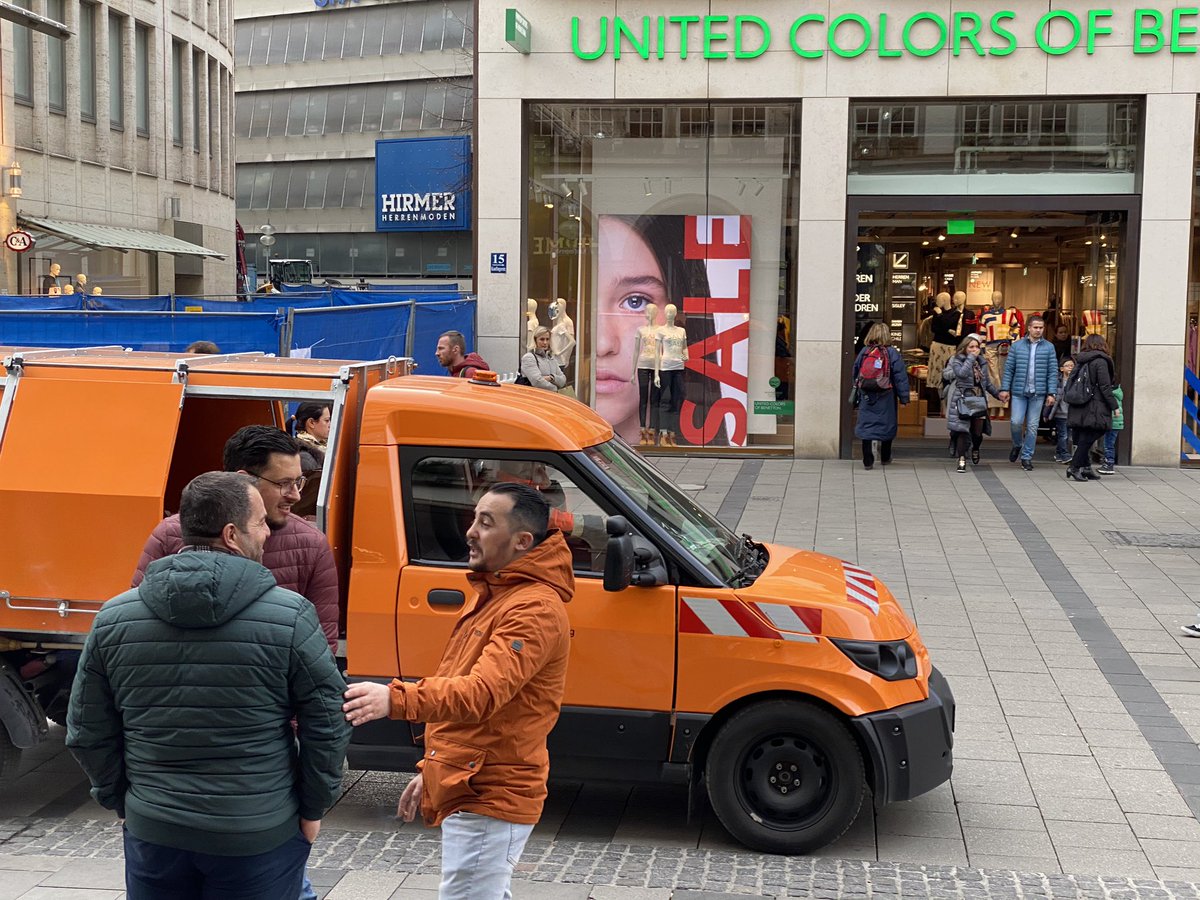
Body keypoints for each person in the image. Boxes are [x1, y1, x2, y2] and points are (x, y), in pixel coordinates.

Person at [66, 472, 351, 900]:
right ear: (232, 534)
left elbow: (87, 731)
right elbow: (327, 723)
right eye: (260, 523)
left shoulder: (113, 618)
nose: (268, 534)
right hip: (256, 833)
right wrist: (312, 809)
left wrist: (124, 803)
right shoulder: (291, 616)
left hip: (155, 831)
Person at [342, 482, 573, 900]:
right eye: (474, 518)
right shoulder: (498, 593)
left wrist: (393, 699)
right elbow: (468, 691)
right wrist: (434, 765)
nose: (470, 531)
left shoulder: (532, 607)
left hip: (491, 790)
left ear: (522, 541)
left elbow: (480, 693)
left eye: (486, 522)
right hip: (471, 779)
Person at [132, 425, 339, 656]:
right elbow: (139, 624)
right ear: (244, 481)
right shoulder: (170, 535)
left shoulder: (311, 545)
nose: (296, 495)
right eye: (283, 484)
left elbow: (320, 649)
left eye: (298, 481)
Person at [999, 314, 1058, 471]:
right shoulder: (1017, 346)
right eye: (1035, 327)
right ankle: (1017, 444)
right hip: (1019, 391)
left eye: (1041, 328)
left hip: (1038, 393)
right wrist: (1005, 389)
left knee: (1032, 426)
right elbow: (1009, 369)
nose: (1038, 330)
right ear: (1029, 328)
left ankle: (1027, 457)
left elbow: (1052, 371)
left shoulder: (1049, 347)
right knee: (1016, 422)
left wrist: (1052, 393)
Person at [850, 322, 910, 470]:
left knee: (867, 425)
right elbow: (900, 377)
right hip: (886, 395)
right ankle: (885, 457)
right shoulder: (892, 353)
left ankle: (868, 460)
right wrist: (904, 398)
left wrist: (858, 390)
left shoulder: (865, 351)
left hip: (867, 395)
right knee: (886, 424)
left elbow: (856, 373)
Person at [1065, 334, 1118, 482]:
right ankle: (1075, 466)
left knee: (1084, 434)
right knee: (1094, 432)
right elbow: (1105, 386)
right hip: (1095, 404)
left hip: (1080, 402)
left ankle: (1086, 467)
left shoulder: (1081, 360)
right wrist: (1114, 406)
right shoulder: (1101, 361)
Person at [945, 335, 1002, 473]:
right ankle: (962, 459)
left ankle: (975, 448)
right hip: (963, 398)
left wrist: (998, 395)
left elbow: (986, 383)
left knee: (977, 432)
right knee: (962, 430)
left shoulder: (982, 362)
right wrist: (970, 358)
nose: (975, 350)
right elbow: (961, 374)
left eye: (977, 347)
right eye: (971, 347)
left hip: (978, 399)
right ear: (964, 348)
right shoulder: (957, 360)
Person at [519, 325, 567, 392]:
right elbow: (537, 382)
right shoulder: (529, 358)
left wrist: (551, 378)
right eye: (542, 339)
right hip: (535, 398)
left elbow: (563, 380)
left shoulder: (551, 358)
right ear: (535, 340)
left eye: (547, 339)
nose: (545, 342)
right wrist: (556, 390)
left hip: (551, 398)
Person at [1048, 357, 1075, 464]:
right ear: (1061, 369)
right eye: (1068, 366)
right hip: (1060, 412)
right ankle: (1064, 455)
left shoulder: (1075, 380)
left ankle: (1059, 454)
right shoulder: (1057, 381)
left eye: (1072, 366)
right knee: (1063, 435)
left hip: (1071, 412)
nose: (1070, 368)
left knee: (1067, 435)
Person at [1099, 382, 1124, 475]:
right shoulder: (1118, 394)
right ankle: (1108, 462)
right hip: (1116, 424)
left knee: (1108, 444)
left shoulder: (1112, 397)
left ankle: (1109, 463)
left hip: (1113, 423)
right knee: (1109, 444)